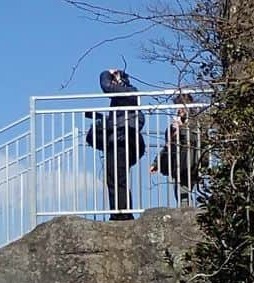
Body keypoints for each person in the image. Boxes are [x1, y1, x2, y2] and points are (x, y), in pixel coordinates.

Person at [86, 69, 146, 221]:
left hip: (123, 142)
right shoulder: (124, 98)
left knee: (117, 178)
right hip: (121, 141)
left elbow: (106, 87)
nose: (112, 82)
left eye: (115, 80)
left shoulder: (130, 92)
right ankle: (120, 212)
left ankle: (122, 214)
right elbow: (117, 121)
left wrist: (107, 73)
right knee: (115, 178)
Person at [150, 92, 206, 206]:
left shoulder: (196, 123)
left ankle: (189, 218)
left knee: (184, 193)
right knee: (180, 194)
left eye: (181, 106)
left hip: (192, 163)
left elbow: (197, 140)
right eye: (177, 106)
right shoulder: (173, 127)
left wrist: (182, 128)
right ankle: (187, 215)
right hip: (179, 165)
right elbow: (168, 146)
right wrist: (157, 162)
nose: (179, 109)